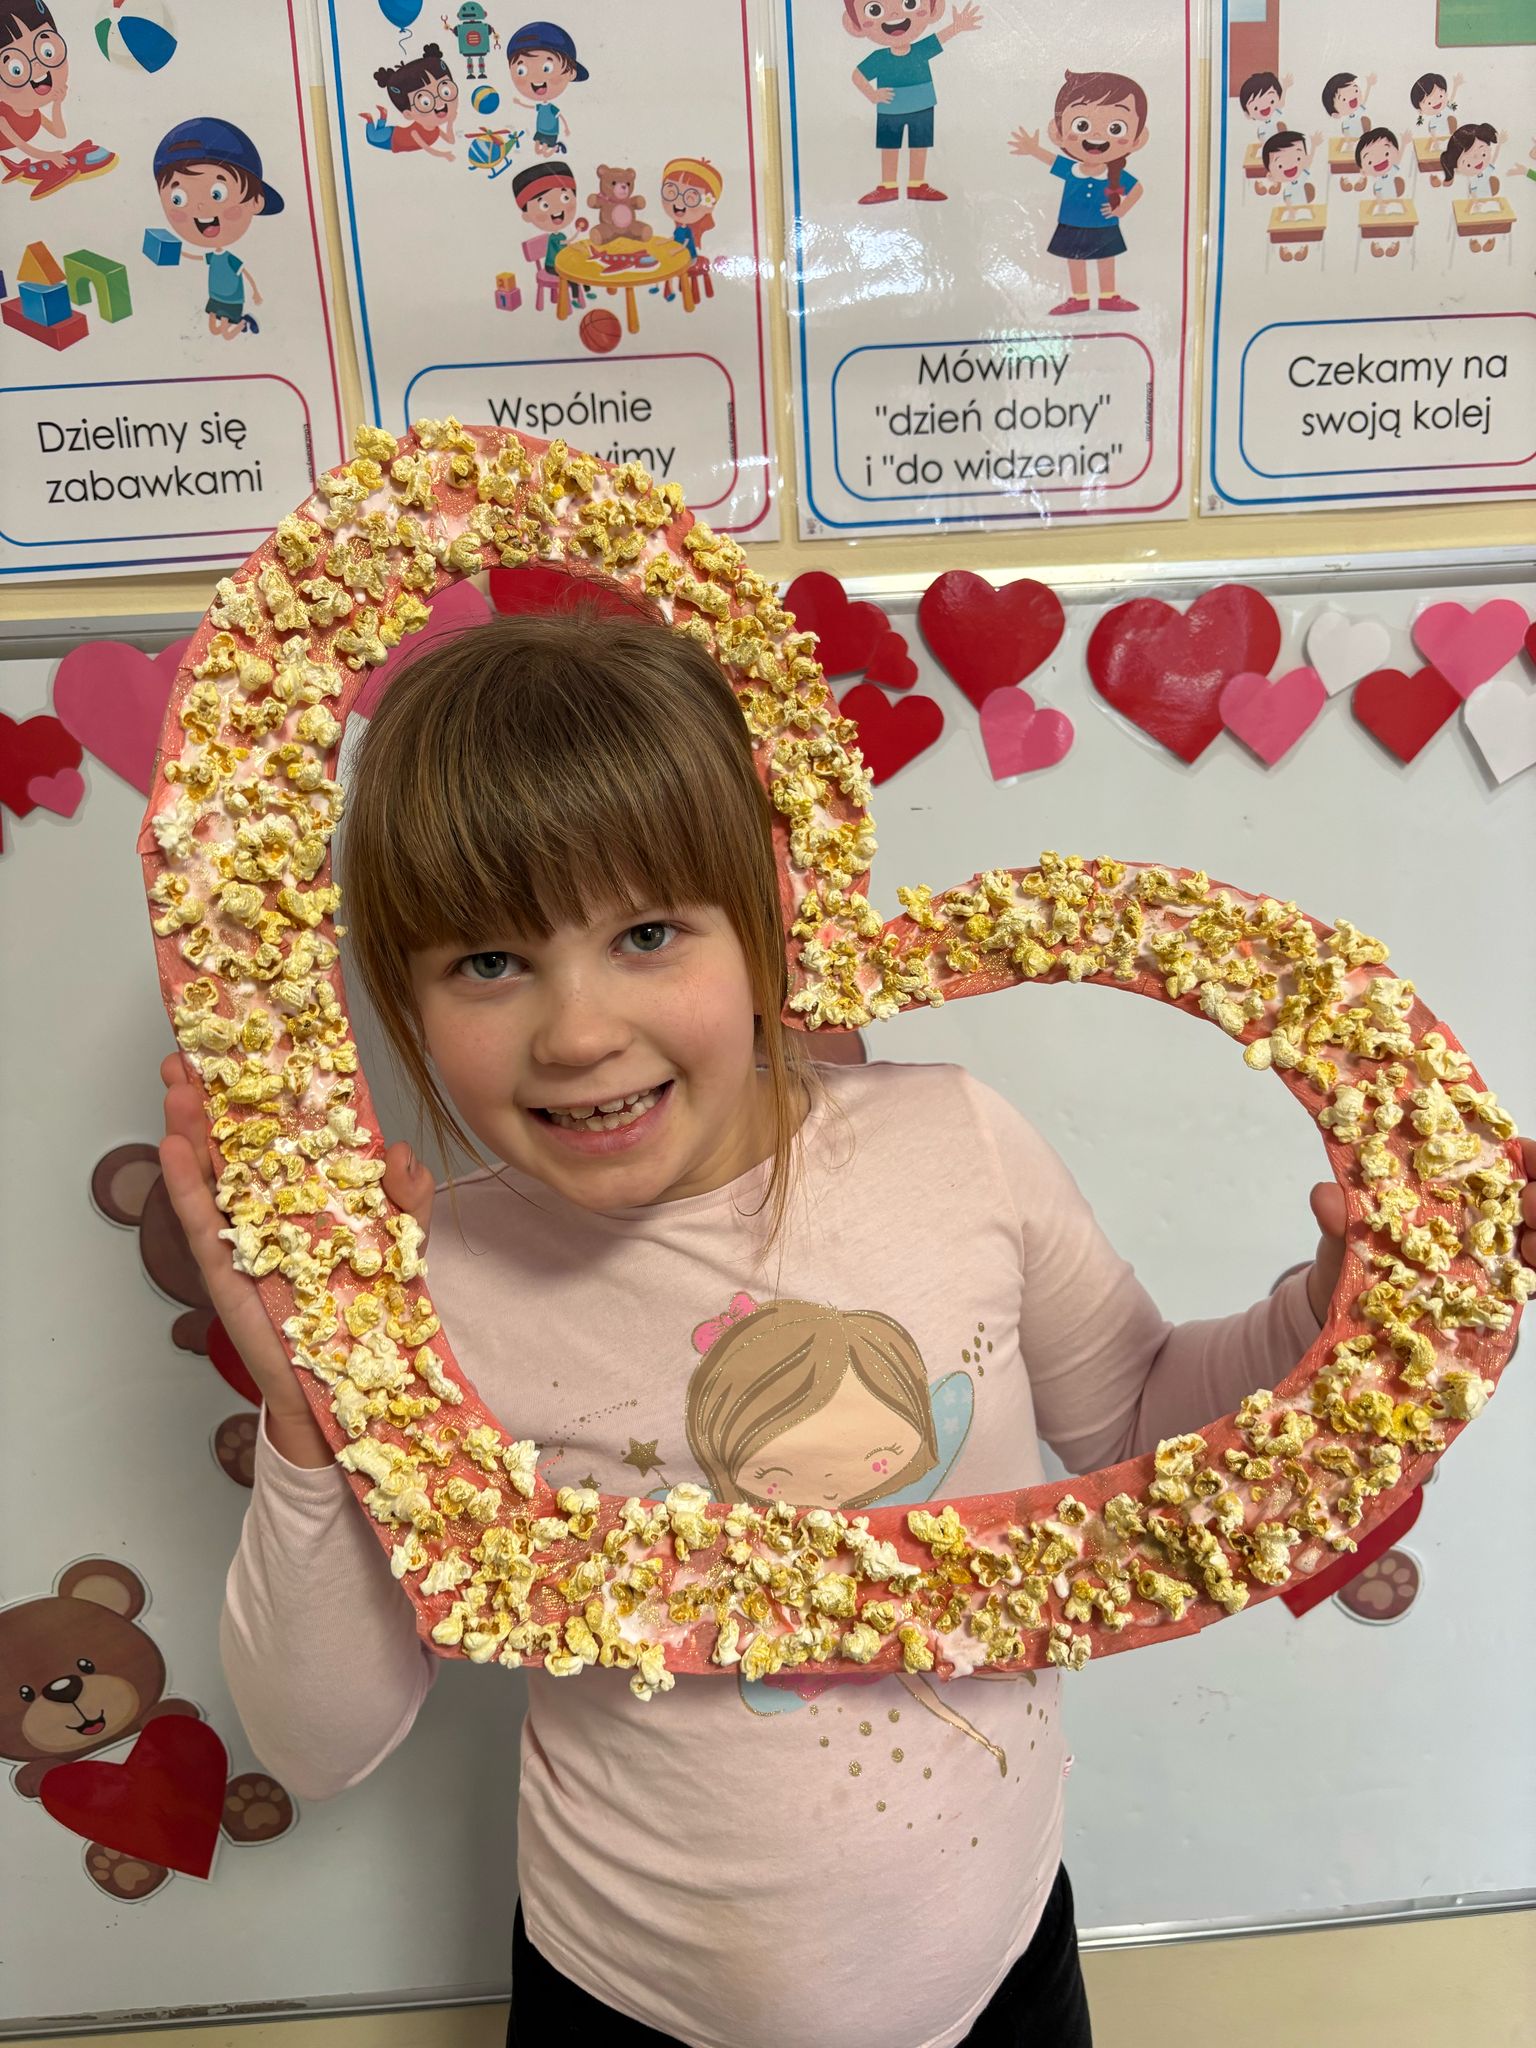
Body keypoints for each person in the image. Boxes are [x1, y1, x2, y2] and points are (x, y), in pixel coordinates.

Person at [160, 602, 1536, 2047]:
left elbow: (1137, 1420)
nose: (577, 1032)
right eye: (488, 963)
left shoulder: (958, 1143)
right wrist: (309, 1414)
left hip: (1000, 1970)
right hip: (627, 1999)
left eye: (647, 933)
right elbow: (316, 1740)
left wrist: (1335, 1311)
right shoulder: (422, 1282)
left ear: (764, 922)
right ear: (400, 993)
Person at [1009, 69, 1150, 314]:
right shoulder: (1072, 169)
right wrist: (1033, 149)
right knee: (1075, 259)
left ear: (1137, 140)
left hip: (1104, 224)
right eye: (1082, 125)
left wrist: (1121, 209)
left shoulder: (1114, 172)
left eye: (1115, 128)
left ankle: (1108, 296)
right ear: (1058, 134)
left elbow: (1137, 189)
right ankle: (1080, 298)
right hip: (1071, 224)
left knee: (1106, 259)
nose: (1096, 135)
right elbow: (1050, 159)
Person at [843, 0, 984, 206]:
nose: (893, 15)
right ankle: (888, 186)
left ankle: (917, 185)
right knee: (889, 149)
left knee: (919, 146)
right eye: (875, 9)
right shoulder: (879, 58)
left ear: (933, 10)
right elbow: (857, 75)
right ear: (855, 25)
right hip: (890, 111)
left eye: (909, 3)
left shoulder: (920, 50)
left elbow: (940, 38)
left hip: (922, 107)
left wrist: (957, 26)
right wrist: (872, 94)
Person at [152, 118, 281, 338]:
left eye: (217, 194)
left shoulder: (231, 258)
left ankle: (244, 323)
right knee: (214, 329)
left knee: (226, 333)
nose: (200, 207)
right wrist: (177, 252)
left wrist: (256, 293)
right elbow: (196, 258)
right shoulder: (213, 256)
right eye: (177, 199)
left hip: (232, 299)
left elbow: (244, 273)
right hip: (216, 297)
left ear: (256, 201)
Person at [0, 0, 115, 199]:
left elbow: (59, 133)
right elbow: (22, 146)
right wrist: (48, 156)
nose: (38, 67)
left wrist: (57, 103)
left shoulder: (33, 113)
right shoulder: (4, 117)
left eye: (47, 51)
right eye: (15, 69)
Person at [360, 43, 459, 159]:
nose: (440, 103)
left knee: (377, 133)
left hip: (392, 135)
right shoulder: (414, 132)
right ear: (408, 114)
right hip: (391, 137)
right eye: (425, 102)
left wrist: (450, 122)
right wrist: (444, 155)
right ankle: (370, 119)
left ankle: (383, 115)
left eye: (446, 92)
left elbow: (450, 140)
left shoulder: (435, 128)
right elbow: (427, 148)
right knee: (372, 138)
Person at [504, 18, 585, 158]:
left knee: (546, 153)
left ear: (571, 73)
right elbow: (530, 107)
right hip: (541, 131)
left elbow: (560, 116)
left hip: (551, 133)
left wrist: (566, 128)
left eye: (547, 68)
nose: (536, 78)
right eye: (521, 70)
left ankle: (557, 148)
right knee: (538, 151)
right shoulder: (541, 106)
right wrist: (519, 103)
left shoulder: (553, 107)